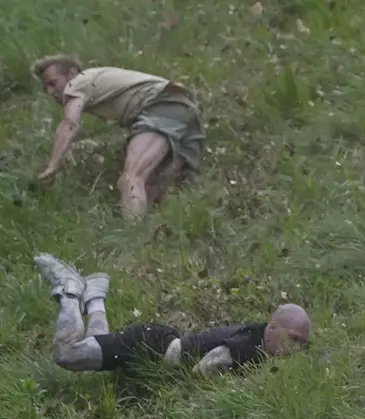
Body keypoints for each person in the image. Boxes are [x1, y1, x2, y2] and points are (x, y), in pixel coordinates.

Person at [34, 253, 309, 376]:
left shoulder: (258, 342)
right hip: (152, 345)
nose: (296, 349)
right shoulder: (249, 344)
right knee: (67, 354)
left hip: (159, 343)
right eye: (294, 339)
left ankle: (94, 295)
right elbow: (204, 368)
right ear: (273, 328)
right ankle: (69, 290)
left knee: (98, 342)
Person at [32, 55, 206, 218]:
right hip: (185, 112)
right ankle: (162, 238)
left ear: (71, 73)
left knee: (131, 179)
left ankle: (136, 242)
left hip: (162, 106)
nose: (50, 91)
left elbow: (70, 123)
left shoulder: (78, 82)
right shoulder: (96, 79)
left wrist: (53, 165)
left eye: (53, 83)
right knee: (156, 185)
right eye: (45, 87)